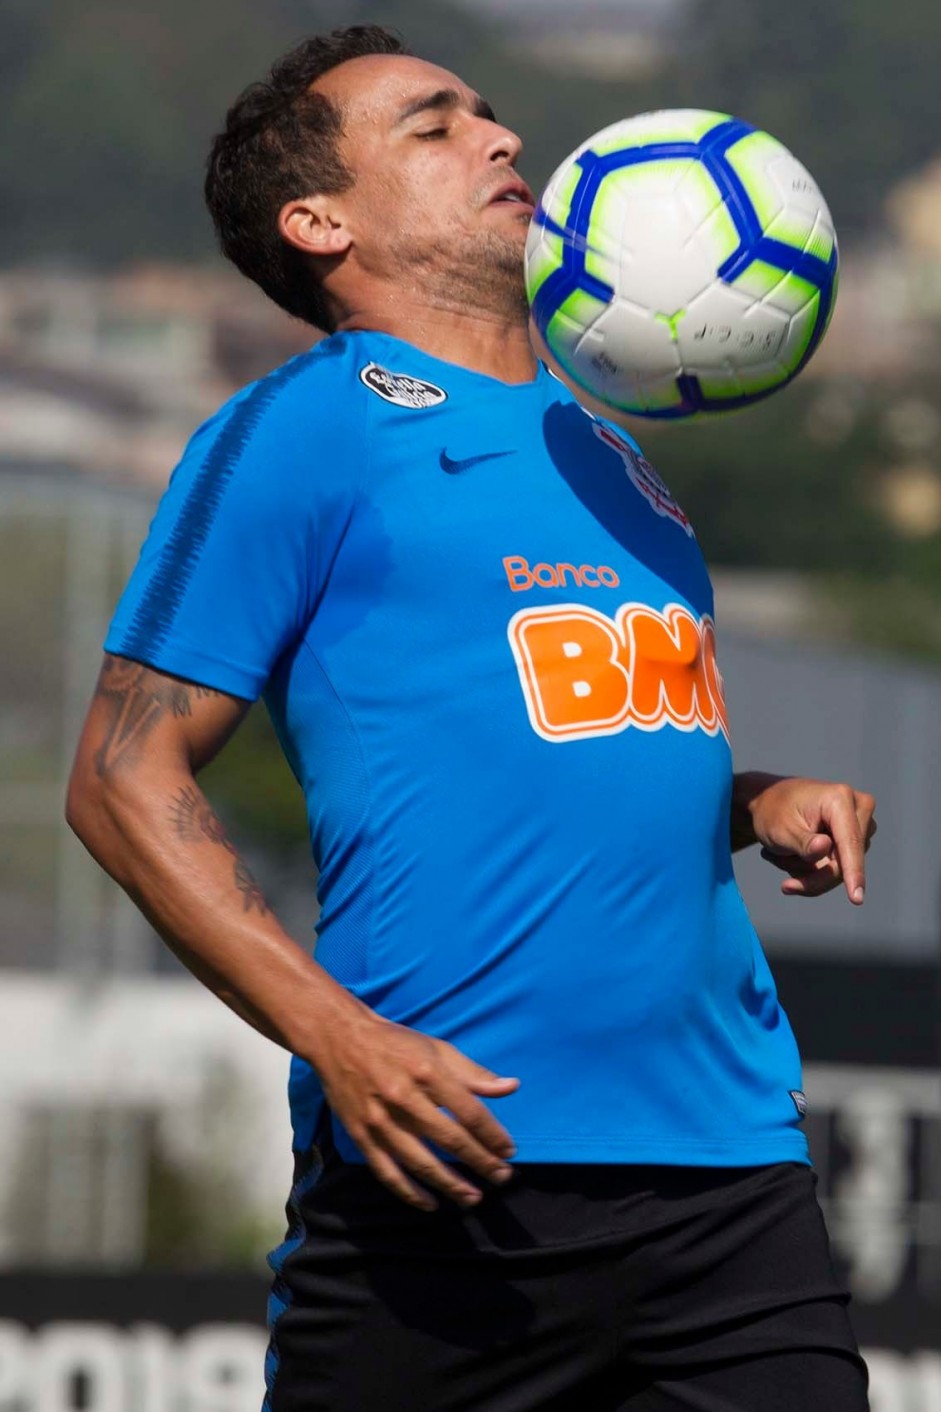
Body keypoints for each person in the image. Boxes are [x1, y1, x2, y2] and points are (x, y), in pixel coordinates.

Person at [66, 24, 878, 1412]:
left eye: (490, 115)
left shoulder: (610, 445)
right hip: (453, 1162)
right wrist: (338, 1038)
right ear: (318, 221)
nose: (504, 141)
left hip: (727, 1164)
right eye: (433, 128)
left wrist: (751, 801)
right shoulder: (308, 426)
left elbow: (564, 739)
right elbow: (119, 774)